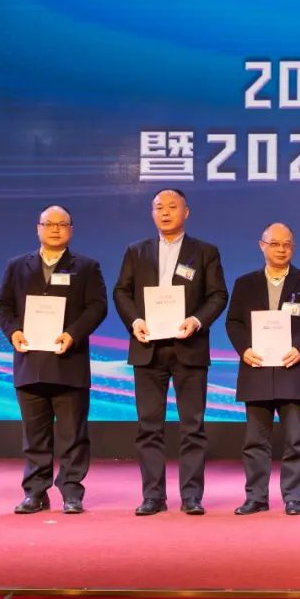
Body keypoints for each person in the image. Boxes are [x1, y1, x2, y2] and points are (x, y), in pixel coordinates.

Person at [112, 189, 228, 516]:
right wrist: (135, 321)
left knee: (192, 426)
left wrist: (196, 320)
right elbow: (121, 292)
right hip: (147, 348)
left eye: (172, 207)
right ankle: (153, 496)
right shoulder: (136, 251)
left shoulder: (205, 252)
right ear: (152, 214)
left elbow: (218, 295)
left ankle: (191, 496)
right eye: (159, 207)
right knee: (149, 426)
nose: (165, 212)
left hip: (189, 346)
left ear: (186, 212)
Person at [0, 205, 107, 514]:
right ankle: (35, 493)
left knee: (73, 435)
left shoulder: (86, 267)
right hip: (29, 360)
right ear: (38, 228)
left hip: (69, 361)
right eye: (49, 224)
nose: (55, 229)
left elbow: (97, 307)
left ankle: (71, 492)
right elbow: (2, 305)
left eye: (62, 224)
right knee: (34, 436)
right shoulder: (17, 266)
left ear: (71, 229)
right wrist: (13, 332)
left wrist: (72, 334)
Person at [225, 223, 300, 516]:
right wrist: (244, 349)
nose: (281, 250)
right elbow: (234, 322)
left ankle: (293, 497)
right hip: (256, 368)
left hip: (294, 368)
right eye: (275, 244)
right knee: (255, 440)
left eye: (287, 244)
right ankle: (256, 497)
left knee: (295, 439)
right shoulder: (245, 283)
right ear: (262, 246)